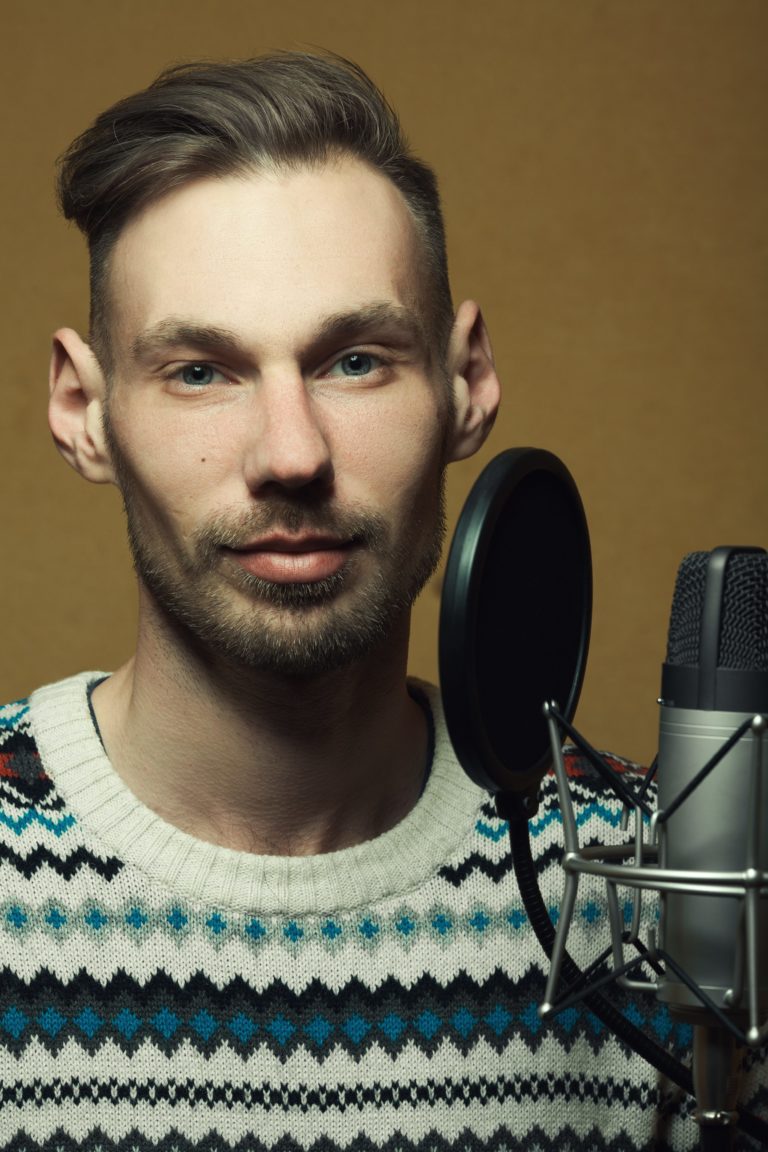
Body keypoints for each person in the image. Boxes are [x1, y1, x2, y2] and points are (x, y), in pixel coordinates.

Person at [0, 52, 763, 1152]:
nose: (291, 454)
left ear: (467, 384)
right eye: (201, 371)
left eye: (354, 360)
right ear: (85, 409)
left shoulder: (660, 882)